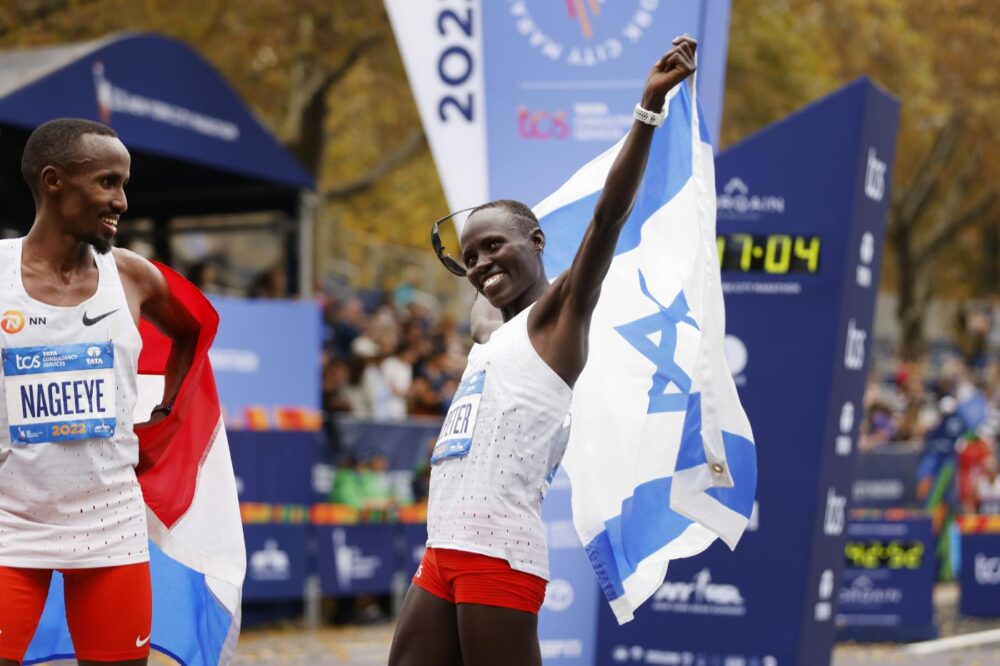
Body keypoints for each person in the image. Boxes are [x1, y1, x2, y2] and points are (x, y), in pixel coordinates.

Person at [388, 36, 697, 666]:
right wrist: (478, 265)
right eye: (471, 257)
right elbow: (484, 296)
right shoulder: (488, 331)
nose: (481, 263)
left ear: (536, 241)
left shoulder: (558, 319)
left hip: (498, 552)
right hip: (442, 549)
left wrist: (648, 110)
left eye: (494, 246)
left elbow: (607, 218)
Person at [0, 118, 200, 666]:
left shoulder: (131, 276)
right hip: (10, 524)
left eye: (124, 184)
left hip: (110, 527)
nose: (122, 201)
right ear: (53, 181)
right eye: (108, 182)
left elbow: (193, 330)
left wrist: (164, 414)